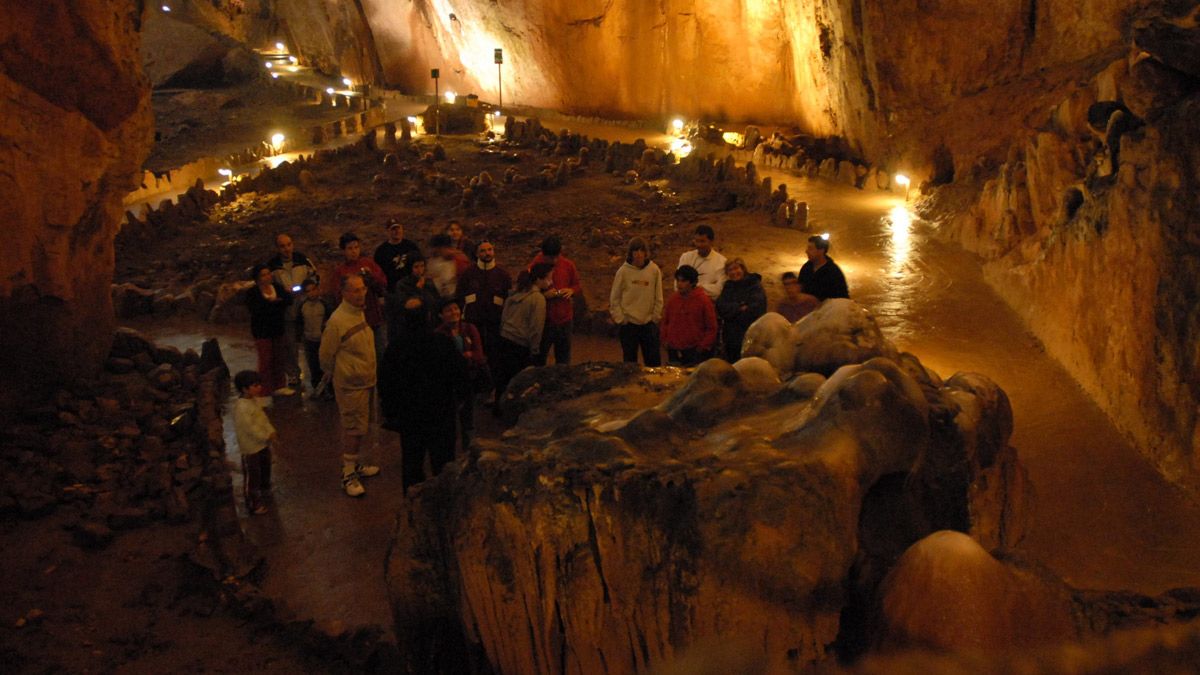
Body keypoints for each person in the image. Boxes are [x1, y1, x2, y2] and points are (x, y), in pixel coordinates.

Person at [379, 305, 468, 495]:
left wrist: (390, 412)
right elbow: (460, 374)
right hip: (441, 413)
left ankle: (412, 507)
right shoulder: (442, 342)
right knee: (443, 463)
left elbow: (386, 382)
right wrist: (460, 400)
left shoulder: (396, 347)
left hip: (410, 415)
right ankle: (445, 505)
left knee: (412, 464)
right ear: (429, 317)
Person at [318, 275, 382, 498]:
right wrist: (346, 372)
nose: (361, 293)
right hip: (351, 385)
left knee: (361, 426)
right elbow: (325, 357)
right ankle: (347, 474)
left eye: (363, 288)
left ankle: (355, 464)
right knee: (353, 428)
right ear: (343, 293)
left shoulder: (357, 313)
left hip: (364, 381)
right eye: (355, 290)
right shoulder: (337, 321)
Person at [493, 263, 553, 414]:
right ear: (539, 279)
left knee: (503, 378)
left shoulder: (516, 293)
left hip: (505, 338)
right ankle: (515, 412)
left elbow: (504, 316)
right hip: (520, 344)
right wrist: (535, 349)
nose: (550, 282)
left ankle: (498, 407)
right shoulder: (537, 299)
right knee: (520, 381)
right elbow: (536, 327)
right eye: (549, 278)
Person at [434, 298, 487, 450]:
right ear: (441, 315)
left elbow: (479, 354)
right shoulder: (438, 334)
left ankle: (469, 451)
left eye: (456, 308)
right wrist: (467, 355)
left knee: (468, 418)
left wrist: (464, 356)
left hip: (468, 379)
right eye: (449, 310)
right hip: (448, 382)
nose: (454, 312)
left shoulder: (469, 328)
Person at [267, 233, 318, 388]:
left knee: (311, 342)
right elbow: (269, 286)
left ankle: (316, 373)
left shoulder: (302, 260)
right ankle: (293, 375)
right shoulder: (272, 266)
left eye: (289, 244)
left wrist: (306, 289)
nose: (286, 249)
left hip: (305, 309)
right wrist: (283, 293)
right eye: (282, 246)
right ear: (277, 248)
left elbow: (315, 278)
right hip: (286, 311)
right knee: (290, 346)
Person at [456, 239, 512, 375]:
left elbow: (508, 299)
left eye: (489, 249)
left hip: (495, 322)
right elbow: (460, 296)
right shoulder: (468, 274)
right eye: (483, 250)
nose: (487, 253)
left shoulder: (502, 275)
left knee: (494, 352)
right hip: (474, 322)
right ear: (476, 254)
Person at [332, 232, 389, 360]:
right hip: (354, 324)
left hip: (373, 319)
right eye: (350, 248)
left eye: (356, 247)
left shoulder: (368, 264)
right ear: (343, 251)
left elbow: (383, 284)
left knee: (380, 354)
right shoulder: (340, 272)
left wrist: (371, 278)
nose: (354, 251)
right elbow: (338, 297)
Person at [608, 237, 663, 366]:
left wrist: (655, 317)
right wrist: (620, 318)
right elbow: (614, 298)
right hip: (629, 325)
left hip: (648, 324)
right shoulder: (623, 272)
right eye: (635, 251)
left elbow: (658, 296)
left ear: (645, 253)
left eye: (641, 251)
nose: (638, 254)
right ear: (630, 253)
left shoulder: (654, 270)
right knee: (629, 362)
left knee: (653, 362)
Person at [528, 236, 582, 365]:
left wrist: (571, 291)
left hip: (565, 320)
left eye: (556, 256)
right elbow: (528, 289)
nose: (554, 260)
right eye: (550, 258)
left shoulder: (568, 265)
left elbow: (577, 284)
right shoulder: (535, 266)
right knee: (539, 359)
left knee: (563, 360)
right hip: (544, 321)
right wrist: (543, 295)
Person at [245, 263, 294, 396]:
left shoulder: (277, 287)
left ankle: (280, 385)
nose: (268, 276)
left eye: (268, 273)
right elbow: (256, 310)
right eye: (264, 275)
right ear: (257, 278)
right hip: (262, 331)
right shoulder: (252, 293)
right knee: (265, 361)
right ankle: (264, 389)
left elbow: (288, 300)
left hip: (277, 328)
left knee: (279, 358)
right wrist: (275, 304)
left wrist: (275, 303)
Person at [232, 370, 274, 515]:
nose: (259, 388)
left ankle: (264, 490)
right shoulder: (242, 407)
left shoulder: (253, 401)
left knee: (264, 467)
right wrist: (266, 435)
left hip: (261, 444)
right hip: (250, 447)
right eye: (255, 385)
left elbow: (262, 419)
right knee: (253, 475)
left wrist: (270, 431)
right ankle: (253, 503)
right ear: (245, 388)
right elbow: (251, 428)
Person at [660, 265, 718, 367]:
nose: (679, 284)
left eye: (683, 281)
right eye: (678, 280)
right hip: (674, 349)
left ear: (692, 282)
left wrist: (702, 347)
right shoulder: (673, 299)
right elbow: (666, 321)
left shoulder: (703, 301)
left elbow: (712, 327)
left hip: (694, 351)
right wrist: (665, 339)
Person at [715, 258, 768, 362]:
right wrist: (740, 307)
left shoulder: (754, 285)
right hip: (731, 339)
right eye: (730, 270)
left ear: (743, 269)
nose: (734, 272)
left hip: (751, 337)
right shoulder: (728, 287)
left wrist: (732, 312)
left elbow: (756, 308)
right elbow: (721, 307)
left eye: (736, 268)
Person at [388, 256, 441, 343]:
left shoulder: (428, 282)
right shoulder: (403, 284)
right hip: (411, 326)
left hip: (430, 323)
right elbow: (407, 305)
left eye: (422, 266)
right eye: (416, 267)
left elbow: (436, 299)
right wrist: (418, 290)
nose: (420, 270)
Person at [297, 277, 333, 398]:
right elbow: (300, 322)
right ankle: (318, 390)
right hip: (309, 340)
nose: (312, 293)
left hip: (322, 340)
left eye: (313, 289)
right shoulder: (303, 306)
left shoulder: (324, 304)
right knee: (313, 366)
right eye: (308, 291)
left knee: (326, 366)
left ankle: (330, 390)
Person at [677, 224, 727, 300]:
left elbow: (719, 290)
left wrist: (692, 287)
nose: (699, 245)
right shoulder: (686, 257)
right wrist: (708, 286)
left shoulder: (721, 262)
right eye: (697, 241)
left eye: (702, 241)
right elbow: (677, 284)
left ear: (711, 242)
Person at [797, 234, 850, 306]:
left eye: (810, 248)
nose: (806, 251)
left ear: (821, 251)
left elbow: (842, 299)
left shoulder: (833, 272)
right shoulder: (807, 268)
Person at [373, 218, 422, 293]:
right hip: (392, 289)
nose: (397, 231)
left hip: (412, 286)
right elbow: (378, 272)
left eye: (398, 228)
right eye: (393, 229)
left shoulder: (411, 246)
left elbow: (420, 264)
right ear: (388, 231)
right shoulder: (381, 251)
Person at [426, 233, 471, 300]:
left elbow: (466, 284)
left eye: (435, 249)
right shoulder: (434, 260)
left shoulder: (460, 261)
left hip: (456, 299)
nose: (432, 251)